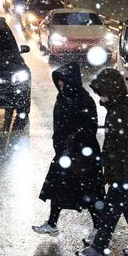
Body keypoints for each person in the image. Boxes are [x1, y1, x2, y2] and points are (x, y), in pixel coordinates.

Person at [77, 68, 128, 256]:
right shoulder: (118, 106)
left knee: (111, 209)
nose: (100, 96)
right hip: (123, 167)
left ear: (114, 90)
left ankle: (98, 249)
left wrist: (121, 172)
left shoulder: (126, 109)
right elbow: (115, 144)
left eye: (103, 92)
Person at [33, 62, 103, 238]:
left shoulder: (84, 100)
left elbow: (89, 127)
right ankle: (52, 223)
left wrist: (75, 140)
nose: (60, 85)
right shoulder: (63, 97)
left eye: (63, 82)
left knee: (89, 193)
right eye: (59, 82)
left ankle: (98, 228)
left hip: (82, 155)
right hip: (65, 152)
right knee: (58, 188)